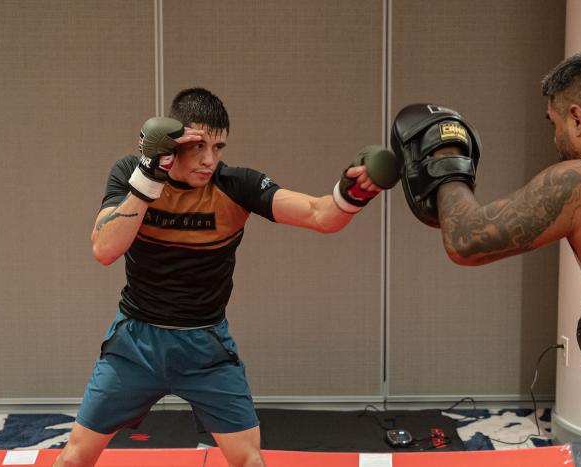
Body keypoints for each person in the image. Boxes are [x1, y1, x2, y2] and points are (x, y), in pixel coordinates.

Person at [54, 87, 399, 467]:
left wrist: (353, 193)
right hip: (136, 344)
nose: (209, 160)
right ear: (173, 142)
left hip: (205, 348)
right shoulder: (130, 174)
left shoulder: (236, 185)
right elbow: (104, 249)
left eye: (218, 148)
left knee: (250, 461)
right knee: (73, 458)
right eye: (198, 146)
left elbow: (320, 215)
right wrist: (149, 176)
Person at [391, 50, 581, 467]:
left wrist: (442, 159)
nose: (556, 138)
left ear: (577, 117)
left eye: (555, 124)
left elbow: (466, 241)